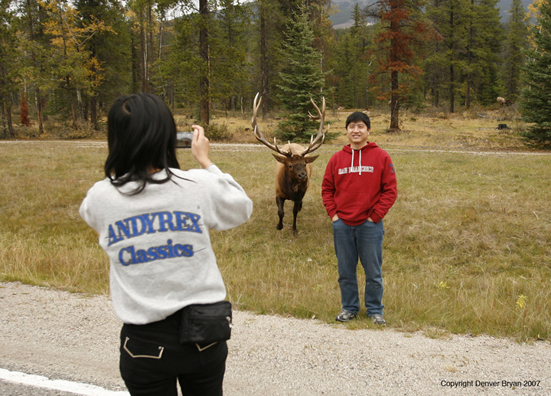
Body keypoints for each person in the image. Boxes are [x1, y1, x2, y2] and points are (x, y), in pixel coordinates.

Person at [79, 93, 253, 396]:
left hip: (143, 342)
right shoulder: (197, 185)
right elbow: (241, 208)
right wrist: (206, 161)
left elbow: (94, 218)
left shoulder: (100, 197)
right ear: (168, 137)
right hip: (205, 334)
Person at [321, 111, 397, 325]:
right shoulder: (337, 159)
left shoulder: (381, 157)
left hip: (369, 226)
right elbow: (327, 188)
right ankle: (349, 308)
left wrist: (375, 216)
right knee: (345, 271)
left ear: (368, 130)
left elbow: (390, 190)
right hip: (343, 225)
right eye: (352, 126)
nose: (356, 130)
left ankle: (375, 310)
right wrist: (334, 215)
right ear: (346, 131)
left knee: (373, 271)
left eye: (360, 126)